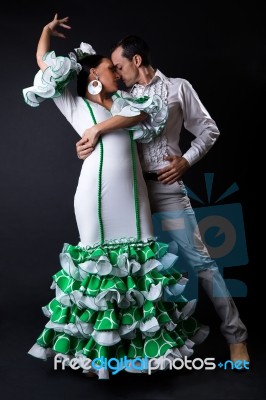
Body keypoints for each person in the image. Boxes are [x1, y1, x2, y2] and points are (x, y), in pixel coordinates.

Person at [22, 15, 209, 380]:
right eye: (110, 68)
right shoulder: (74, 103)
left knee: (139, 270)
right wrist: (45, 33)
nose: (117, 73)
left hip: (135, 196)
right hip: (95, 196)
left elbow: (144, 113)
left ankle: (136, 354)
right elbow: (45, 65)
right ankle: (96, 355)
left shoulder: (126, 103)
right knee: (100, 273)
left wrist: (98, 128)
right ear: (94, 78)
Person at [76, 35, 250, 365]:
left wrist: (185, 160)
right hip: (128, 192)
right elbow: (90, 117)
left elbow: (209, 129)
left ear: (137, 61)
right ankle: (120, 349)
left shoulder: (178, 88)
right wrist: (84, 144)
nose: (115, 71)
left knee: (201, 262)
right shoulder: (118, 95)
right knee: (126, 271)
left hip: (168, 189)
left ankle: (236, 336)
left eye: (119, 65)